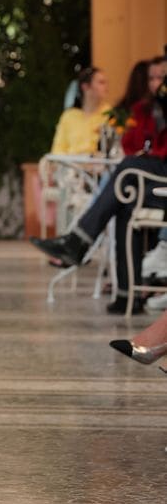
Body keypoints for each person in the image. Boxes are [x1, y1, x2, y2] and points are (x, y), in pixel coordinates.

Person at [31, 58, 167, 313]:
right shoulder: (144, 109)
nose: (156, 83)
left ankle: (77, 241)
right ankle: (127, 297)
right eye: (152, 78)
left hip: (157, 181)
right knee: (125, 199)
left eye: (161, 78)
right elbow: (131, 144)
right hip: (124, 177)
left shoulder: (116, 112)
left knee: (126, 173)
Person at [49, 66, 110, 155]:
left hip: (98, 163)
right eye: (101, 82)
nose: (106, 87)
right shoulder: (69, 116)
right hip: (70, 163)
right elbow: (57, 149)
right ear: (85, 87)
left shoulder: (110, 114)